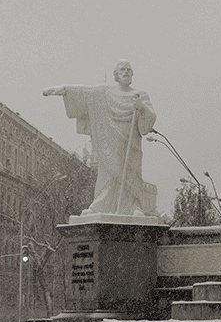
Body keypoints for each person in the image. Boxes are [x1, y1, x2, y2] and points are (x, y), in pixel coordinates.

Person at [43, 60, 157, 217]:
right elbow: (86, 92)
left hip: (131, 145)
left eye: (128, 69)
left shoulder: (140, 95)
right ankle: (100, 206)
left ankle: (134, 206)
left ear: (132, 73)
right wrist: (64, 90)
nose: (125, 72)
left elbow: (147, 124)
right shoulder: (105, 92)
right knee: (108, 174)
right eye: (122, 70)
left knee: (132, 174)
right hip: (109, 144)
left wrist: (141, 107)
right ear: (116, 75)